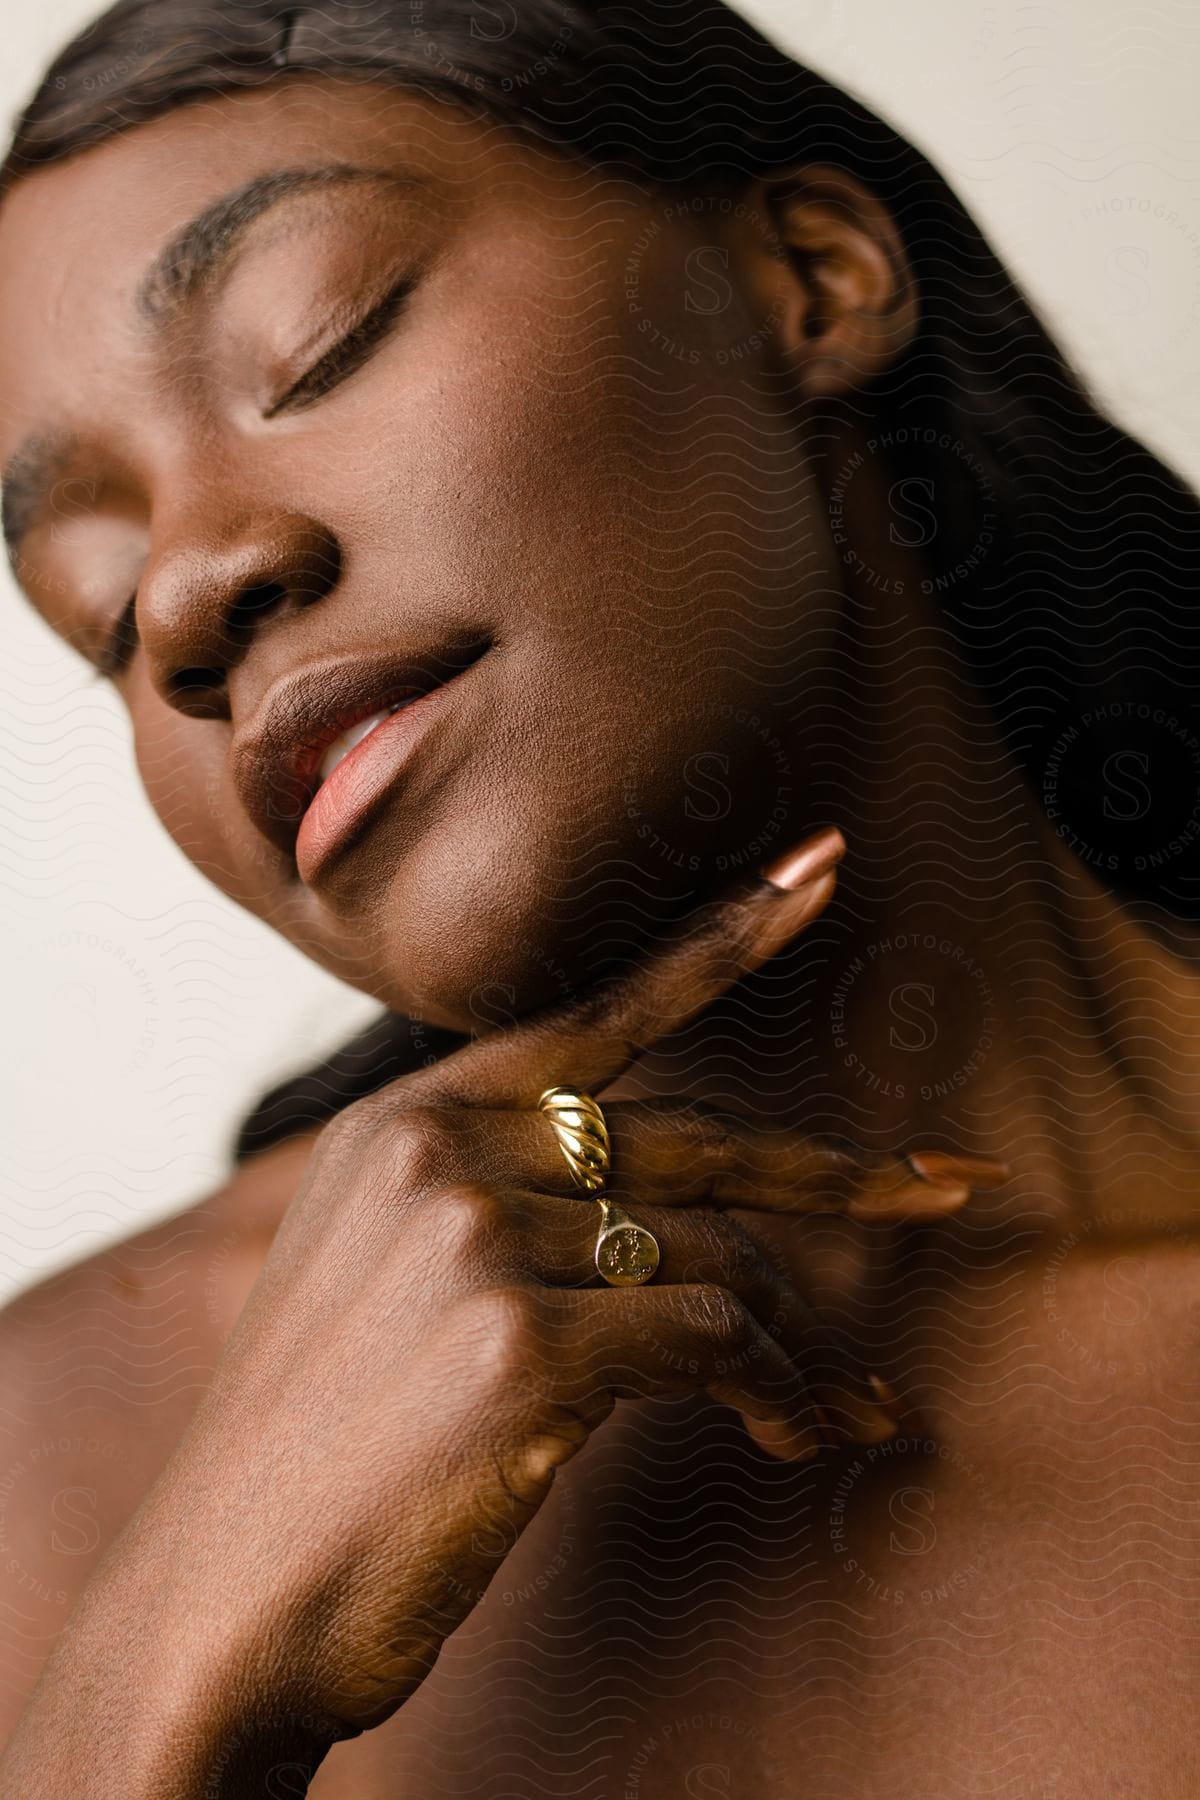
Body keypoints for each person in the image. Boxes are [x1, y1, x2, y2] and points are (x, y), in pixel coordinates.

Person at [0, 2, 1198, 1794]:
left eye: (316, 343)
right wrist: (159, 1684)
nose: (183, 600)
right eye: (94, 604)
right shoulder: (63, 1451)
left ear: (807, 277)